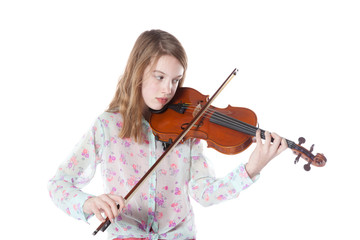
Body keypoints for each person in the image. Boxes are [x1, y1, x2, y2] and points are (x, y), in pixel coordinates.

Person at [48, 29, 288, 240]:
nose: (168, 90)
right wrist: (89, 203)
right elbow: (58, 184)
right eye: (159, 77)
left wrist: (251, 169)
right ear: (137, 72)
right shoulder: (108, 126)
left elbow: (204, 193)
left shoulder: (187, 131)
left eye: (176, 80)